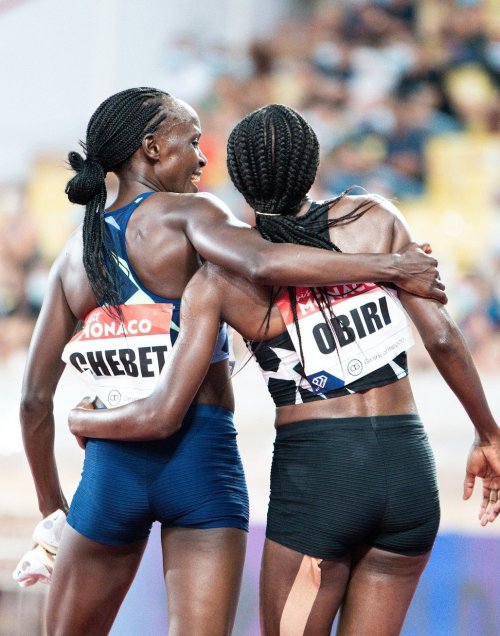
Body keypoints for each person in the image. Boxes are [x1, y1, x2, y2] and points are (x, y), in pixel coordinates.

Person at [19, 89, 445, 636]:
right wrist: (390, 266)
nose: (203, 158)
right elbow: (263, 261)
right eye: (193, 142)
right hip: (201, 466)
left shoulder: (72, 258)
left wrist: (54, 509)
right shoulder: (192, 214)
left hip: (111, 472)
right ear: (152, 147)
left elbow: (33, 402)